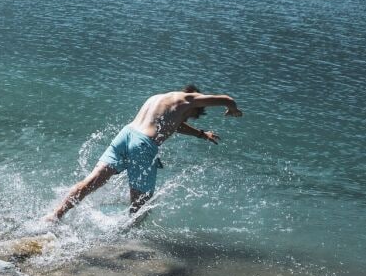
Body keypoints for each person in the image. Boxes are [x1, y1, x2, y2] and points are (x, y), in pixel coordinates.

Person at [45, 85, 242, 222]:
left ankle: (55, 216)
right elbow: (227, 99)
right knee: (141, 202)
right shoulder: (189, 99)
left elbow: (175, 125)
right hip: (144, 144)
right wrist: (233, 109)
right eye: (192, 114)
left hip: (126, 135)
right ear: (196, 102)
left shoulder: (160, 99)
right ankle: (125, 242)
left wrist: (200, 134)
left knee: (92, 181)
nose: (187, 117)